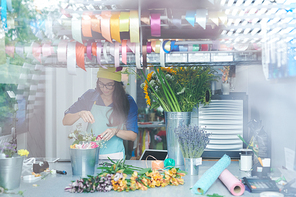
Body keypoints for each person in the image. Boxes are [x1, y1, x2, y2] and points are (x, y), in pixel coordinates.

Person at [63, 67, 138, 160]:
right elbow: (66, 121)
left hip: (115, 156)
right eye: (101, 84)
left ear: (117, 84)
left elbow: (132, 136)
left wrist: (115, 131)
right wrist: (80, 113)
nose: (104, 88)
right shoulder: (90, 96)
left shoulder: (127, 101)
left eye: (109, 85)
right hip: (90, 153)